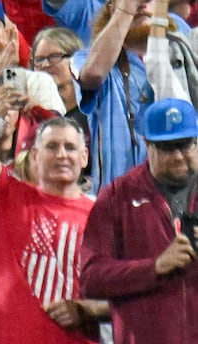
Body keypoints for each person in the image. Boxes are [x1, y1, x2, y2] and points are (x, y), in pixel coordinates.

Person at [0, 37, 103, 343]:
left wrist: (88, 309)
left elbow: (130, 292)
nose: (62, 155)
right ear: (34, 155)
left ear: (85, 157)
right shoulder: (8, 197)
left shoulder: (103, 215)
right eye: (52, 147)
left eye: (70, 148)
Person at [81, 98, 198, 344]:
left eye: (185, 145)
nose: (177, 156)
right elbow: (91, 278)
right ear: (147, 145)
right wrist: (154, 267)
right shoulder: (116, 197)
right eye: (167, 147)